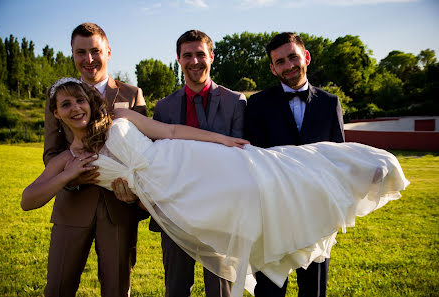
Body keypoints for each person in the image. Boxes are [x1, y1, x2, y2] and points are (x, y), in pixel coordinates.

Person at [24, 78, 408, 297]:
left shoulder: (120, 116)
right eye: (65, 104)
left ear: (89, 101)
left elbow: (171, 131)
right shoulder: (67, 158)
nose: (75, 108)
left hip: (185, 159)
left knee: (268, 170)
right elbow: (28, 200)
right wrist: (66, 174)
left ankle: (356, 173)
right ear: (56, 113)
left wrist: (222, 141)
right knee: (229, 233)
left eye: (79, 99)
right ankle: (284, 239)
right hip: (169, 198)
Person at [113, 29, 246, 297]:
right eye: (188, 55)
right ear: (178, 59)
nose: (194, 61)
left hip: (221, 211)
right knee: (175, 287)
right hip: (174, 213)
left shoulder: (236, 102)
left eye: (200, 54)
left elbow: (240, 157)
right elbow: (157, 157)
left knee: (221, 290)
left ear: (212, 57)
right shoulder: (164, 107)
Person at [42, 22, 147, 297]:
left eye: (95, 51)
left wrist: (134, 194)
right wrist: (71, 178)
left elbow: (145, 153)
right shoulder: (59, 97)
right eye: (80, 52)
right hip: (72, 207)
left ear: (108, 51)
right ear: (73, 54)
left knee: (116, 290)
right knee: (57, 289)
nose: (88, 59)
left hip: (119, 209)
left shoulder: (131, 94)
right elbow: (51, 152)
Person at [244, 32, 344, 297]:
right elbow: (252, 159)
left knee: (314, 290)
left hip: (317, 214)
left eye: (293, 57)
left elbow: (340, 157)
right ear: (272, 67)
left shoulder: (330, 103)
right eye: (280, 61)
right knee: (269, 290)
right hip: (272, 215)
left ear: (306, 57)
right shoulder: (257, 104)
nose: (288, 66)